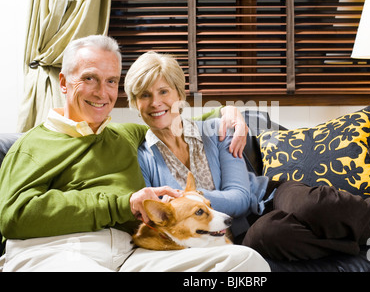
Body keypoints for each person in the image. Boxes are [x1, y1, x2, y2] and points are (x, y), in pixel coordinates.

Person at [126, 51, 370, 261]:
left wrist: (188, 203)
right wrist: (188, 211)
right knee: (273, 234)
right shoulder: (144, 158)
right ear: (134, 103)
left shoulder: (217, 129)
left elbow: (238, 198)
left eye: (163, 91)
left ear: (180, 95)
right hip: (240, 233)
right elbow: (157, 217)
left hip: (269, 196)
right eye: (144, 95)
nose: (156, 103)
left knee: (309, 203)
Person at [0, 35, 270, 272]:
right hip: (59, 249)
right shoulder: (33, 145)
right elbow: (13, 215)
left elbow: (171, 117)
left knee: (246, 262)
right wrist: (123, 204)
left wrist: (228, 113)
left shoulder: (123, 135)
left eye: (111, 81)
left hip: (131, 253)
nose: (102, 92)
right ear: (63, 82)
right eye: (89, 78)